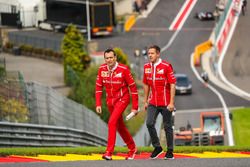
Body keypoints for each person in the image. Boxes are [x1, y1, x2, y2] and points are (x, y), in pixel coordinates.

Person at [95, 48, 138, 160]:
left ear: (115, 58)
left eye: (111, 58)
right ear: (104, 59)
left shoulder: (124, 69)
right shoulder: (101, 69)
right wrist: (98, 104)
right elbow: (99, 87)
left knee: (111, 122)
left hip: (122, 99)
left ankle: (109, 152)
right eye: (107, 58)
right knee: (120, 126)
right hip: (110, 102)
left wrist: (135, 107)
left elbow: (133, 88)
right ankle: (132, 148)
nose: (109, 60)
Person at [143, 45, 176, 160]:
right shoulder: (146, 67)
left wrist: (171, 102)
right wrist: (145, 101)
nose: (150, 55)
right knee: (149, 123)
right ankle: (157, 147)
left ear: (158, 54)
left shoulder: (166, 66)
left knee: (167, 126)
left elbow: (172, 84)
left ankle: (170, 151)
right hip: (153, 102)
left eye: (152, 53)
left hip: (166, 102)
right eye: (149, 53)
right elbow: (146, 84)